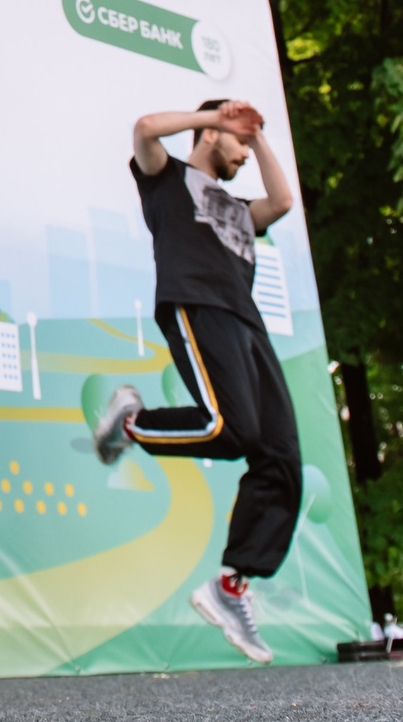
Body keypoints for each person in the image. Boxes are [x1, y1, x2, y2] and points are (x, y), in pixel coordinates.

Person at [92, 99, 300, 664]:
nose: (243, 153)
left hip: (247, 326)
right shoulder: (168, 180)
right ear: (212, 133)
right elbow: (142, 129)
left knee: (278, 453)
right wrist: (210, 123)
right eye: (235, 143)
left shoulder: (238, 208)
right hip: (197, 305)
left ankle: (231, 587)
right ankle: (131, 424)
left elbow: (281, 202)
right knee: (228, 428)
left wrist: (254, 138)